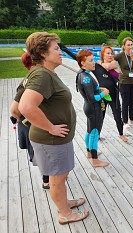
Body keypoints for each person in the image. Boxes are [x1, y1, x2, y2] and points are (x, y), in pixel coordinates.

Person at [18, 32, 89, 224]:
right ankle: (65, 214)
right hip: (51, 140)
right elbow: (24, 107)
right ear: (42, 53)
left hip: (56, 140)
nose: (60, 52)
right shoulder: (42, 75)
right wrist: (50, 127)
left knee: (61, 175)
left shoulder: (44, 73)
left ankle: (64, 203)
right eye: (56, 49)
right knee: (57, 178)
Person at [10, 52, 50, 190]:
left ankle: (49, 176)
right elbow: (15, 110)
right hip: (30, 124)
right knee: (40, 151)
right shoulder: (30, 81)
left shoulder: (31, 78)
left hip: (30, 123)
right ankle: (47, 180)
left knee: (41, 151)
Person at [76, 49, 110, 167]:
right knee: (95, 133)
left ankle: (89, 152)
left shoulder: (82, 74)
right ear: (83, 63)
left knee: (90, 131)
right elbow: (91, 98)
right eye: (90, 61)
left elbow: (88, 91)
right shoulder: (86, 77)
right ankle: (95, 160)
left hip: (89, 108)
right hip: (93, 108)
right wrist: (103, 93)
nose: (94, 62)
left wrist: (98, 89)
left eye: (93, 60)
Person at [95, 46, 128, 143]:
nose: (110, 55)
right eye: (108, 53)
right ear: (102, 54)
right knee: (101, 115)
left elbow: (108, 67)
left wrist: (100, 63)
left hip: (114, 94)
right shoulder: (98, 66)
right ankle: (97, 135)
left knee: (117, 114)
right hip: (102, 95)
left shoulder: (114, 63)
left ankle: (121, 134)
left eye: (111, 53)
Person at [114, 37, 133, 129]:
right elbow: (110, 61)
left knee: (132, 102)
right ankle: (125, 122)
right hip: (124, 82)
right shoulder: (120, 56)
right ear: (124, 46)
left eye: (131, 45)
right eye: (128, 45)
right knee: (125, 103)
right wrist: (117, 69)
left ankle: (132, 120)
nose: (130, 47)